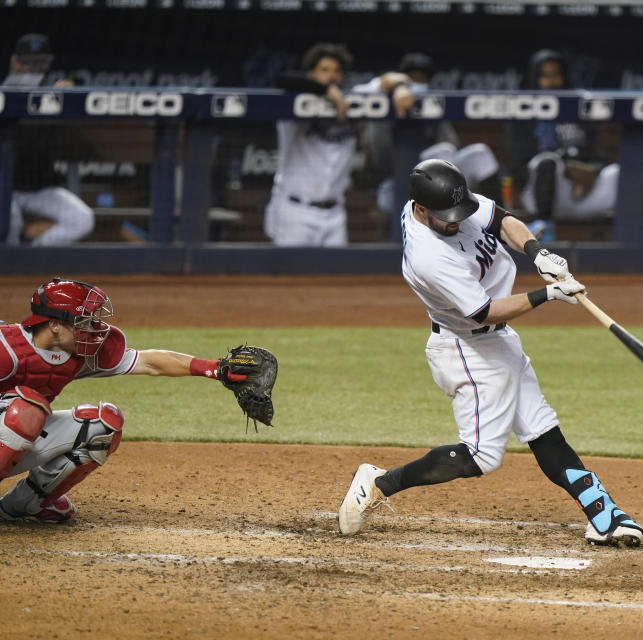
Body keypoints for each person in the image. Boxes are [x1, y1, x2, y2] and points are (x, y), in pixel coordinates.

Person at [336, 159, 643, 547]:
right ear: (420, 210)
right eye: (447, 218)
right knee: (481, 457)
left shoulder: (442, 198)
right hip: (467, 347)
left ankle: (603, 514)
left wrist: (537, 253)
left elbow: (500, 220)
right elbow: (483, 312)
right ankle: (379, 483)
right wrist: (546, 294)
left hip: (497, 341)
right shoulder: (428, 257)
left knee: (542, 428)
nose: (456, 222)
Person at [0, 278, 251, 522]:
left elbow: (150, 362)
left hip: (15, 434)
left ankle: (25, 502)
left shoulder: (79, 354)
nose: (93, 329)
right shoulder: (7, 348)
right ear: (55, 324)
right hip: (11, 427)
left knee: (102, 425)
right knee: (24, 411)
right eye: (84, 322)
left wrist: (215, 368)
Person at [264, 43, 415, 246]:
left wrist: (401, 89)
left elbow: (394, 79)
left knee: (335, 276)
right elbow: (283, 79)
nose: (332, 76)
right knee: (292, 276)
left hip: (334, 214)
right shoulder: (295, 101)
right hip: (294, 210)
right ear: (311, 73)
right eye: (324, 70)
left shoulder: (352, 99)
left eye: (336, 71)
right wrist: (324, 89)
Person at [502, 49, 621, 242]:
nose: (552, 82)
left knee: (629, 171)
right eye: (545, 76)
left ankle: (638, 233)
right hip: (536, 195)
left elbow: (599, 158)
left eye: (556, 75)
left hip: (580, 193)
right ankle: (545, 230)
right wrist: (565, 168)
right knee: (548, 162)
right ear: (535, 77)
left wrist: (590, 172)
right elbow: (516, 166)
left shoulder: (578, 111)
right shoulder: (521, 115)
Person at [369, 52, 500, 216]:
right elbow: (379, 158)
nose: (418, 82)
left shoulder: (433, 106)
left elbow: (452, 146)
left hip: (438, 180)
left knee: (478, 153)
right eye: (413, 77)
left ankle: (498, 221)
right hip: (396, 183)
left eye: (422, 78)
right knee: (441, 153)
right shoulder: (387, 105)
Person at [2, 34, 94, 246]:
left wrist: (69, 101)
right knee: (11, 222)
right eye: (29, 63)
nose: (35, 69)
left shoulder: (55, 98)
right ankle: (9, 270)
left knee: (82, 218)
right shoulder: (2, 94)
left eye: (41, 63)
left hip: (40, 189)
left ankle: (34, 259)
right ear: (15, 62)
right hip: (5, 187)